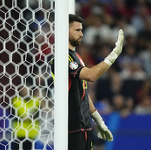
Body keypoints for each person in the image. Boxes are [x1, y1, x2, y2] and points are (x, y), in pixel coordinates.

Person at [51, 14, 124, 150]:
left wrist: (99, 121)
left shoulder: (77, 56)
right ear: (64, 30)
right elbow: (91, 76)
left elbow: (82, 91)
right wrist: (114, 54)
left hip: (84, 126)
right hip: (72, 127)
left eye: (82, 30)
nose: (82, 34)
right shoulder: (62, 57)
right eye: (77, 30)